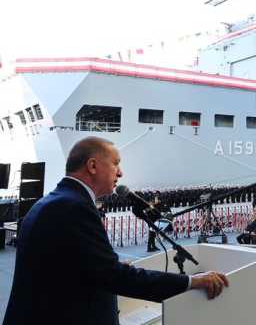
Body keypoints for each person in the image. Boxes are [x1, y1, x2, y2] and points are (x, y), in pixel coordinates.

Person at [3, 137, 228, 325]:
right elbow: (114, 277)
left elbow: (68, 268)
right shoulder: (74, 207)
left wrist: (107, 265)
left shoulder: (53, 202)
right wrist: (191, 282)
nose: (120, 173)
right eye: (115, 163)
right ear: (92, 166)